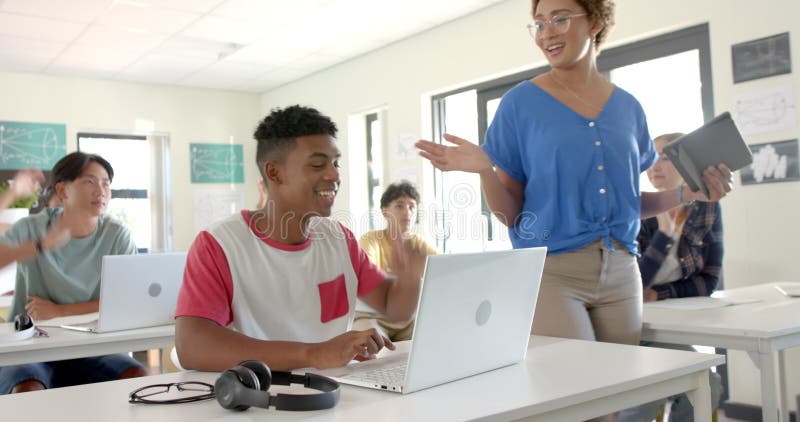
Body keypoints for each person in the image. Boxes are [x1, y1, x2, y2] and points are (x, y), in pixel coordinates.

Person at [416, 0, 731, 351]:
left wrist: (686, 195)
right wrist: (485, 172)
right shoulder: (519, 105)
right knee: (576, 380)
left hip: (623, 270)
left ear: (595, 22)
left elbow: (628, 204)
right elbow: (511, 216)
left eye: (560, 20)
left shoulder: (629, 109)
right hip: (552, 272)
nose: (547, 33)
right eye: (539, 24)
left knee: (621, 384)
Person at [174, 105, 427, 372]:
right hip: (257, 392)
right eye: (318, 165)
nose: (334, 175)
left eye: (336, 163)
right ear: (274, 173)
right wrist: (315, 354)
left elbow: (392, 307)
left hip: (335, 388)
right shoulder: (219, 244)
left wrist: (409, 280)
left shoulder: (340, 239)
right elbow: (192, 346)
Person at [0, 152, 148, 394]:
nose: (101, 191)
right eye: (89, 182)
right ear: (62, 190)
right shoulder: (33, 227)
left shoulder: (116, 235)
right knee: (27, 389)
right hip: (30, 347)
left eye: (106, 183)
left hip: (92, 348)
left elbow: (128, 300)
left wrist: (60, 311)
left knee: (138, 377)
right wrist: (40, 245)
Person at [618, 133, 725, 421]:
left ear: (688, 164)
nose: (655, 166)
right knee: (646, 396)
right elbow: (633, 284)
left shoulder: (707, 207)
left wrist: (660, 293)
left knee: (709, 386)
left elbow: (709, 280)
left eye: (665, 158)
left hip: (668, 320)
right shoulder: (636, 210)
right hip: (632, 326)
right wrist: (664, 234)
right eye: (650, 158)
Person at [352, 181, 438, 341]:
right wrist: (406, 278)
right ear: (385, 212)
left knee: (433, 336)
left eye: (412, 207)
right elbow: (369, 279)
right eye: (399, 206)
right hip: (372, 316)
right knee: (371, 342)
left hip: (409, 318)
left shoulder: (419, 243)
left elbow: (443, 269)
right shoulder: (370, 239)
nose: (407, 212)